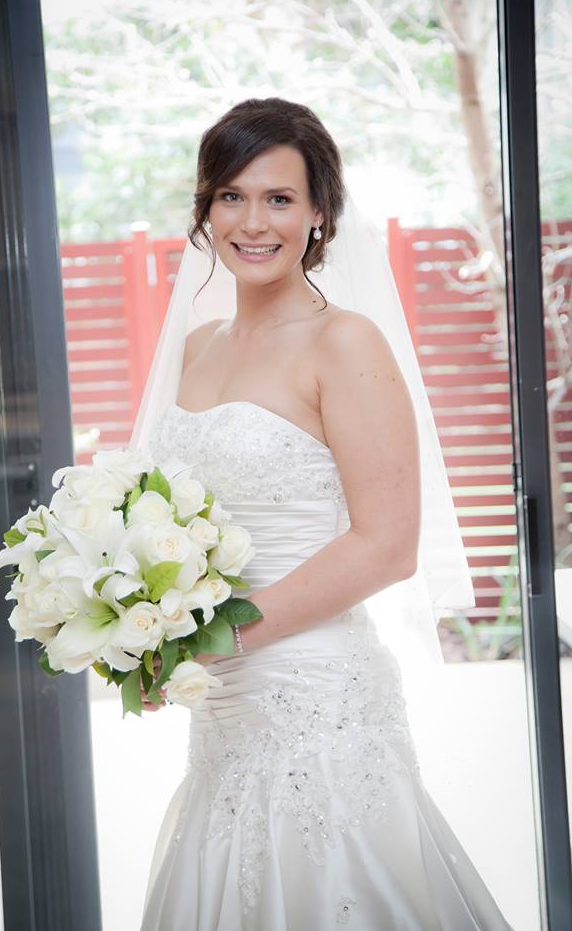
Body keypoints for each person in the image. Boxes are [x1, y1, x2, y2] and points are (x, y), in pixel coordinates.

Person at [132, 98, 514, 930]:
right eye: (231, 196)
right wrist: (142, 627)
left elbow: (386, 546)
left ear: (319, 214)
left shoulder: (345, 342)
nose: (252, 222)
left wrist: (212, 638)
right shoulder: (197, 348)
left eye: (279, 198)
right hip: (222, 711)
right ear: (205, 209)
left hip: (317, 698)